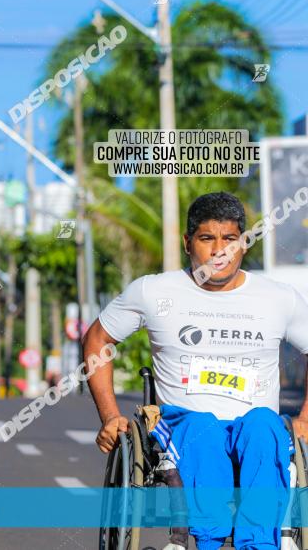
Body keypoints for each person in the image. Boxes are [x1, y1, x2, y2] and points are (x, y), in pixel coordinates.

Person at [82, 192, 308, 550]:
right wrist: (110, 417)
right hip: (183, 423)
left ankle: (259, 544)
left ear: (243, 244)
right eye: (207, 239)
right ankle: (210, 540)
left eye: (230, 240)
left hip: (253, 425)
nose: (219, 251)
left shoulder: (278, 298)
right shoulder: (154, 291)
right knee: (203, 427)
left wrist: (306, 417)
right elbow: (97, 339)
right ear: (188, 243)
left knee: (265, 426)